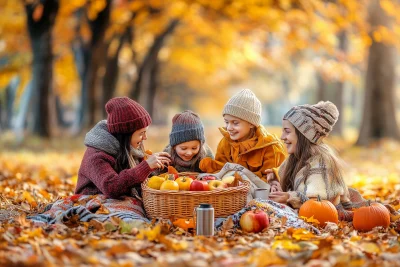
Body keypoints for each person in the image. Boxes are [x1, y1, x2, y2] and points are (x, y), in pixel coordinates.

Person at [267, 101, 367, 220]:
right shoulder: (295, 158)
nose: (282, 137)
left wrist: (289, 197)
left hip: (320, 217)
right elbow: (286, 187)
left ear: (303, 135)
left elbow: (317, 202)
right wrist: (275, 183)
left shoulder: (321, 162)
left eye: (287, 131)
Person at [75, 96, 171, 198]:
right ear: (126, 134)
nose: (145, 137)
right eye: (141, 133)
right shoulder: (96, 156)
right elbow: (111, 187)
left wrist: (160, 167)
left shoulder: (130, 148)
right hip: (93, 200)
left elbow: (138, 179)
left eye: (145, 132)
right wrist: (145, 167)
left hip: (115, 200)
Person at [199, 89, 286, 181]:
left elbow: (270, 179)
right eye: (226, 122)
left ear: (251, 123)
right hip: (230, 193)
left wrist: (237, 178)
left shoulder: (270, 147)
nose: (229, 127)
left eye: (235, 123)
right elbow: (219, 170)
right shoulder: (225, 143)